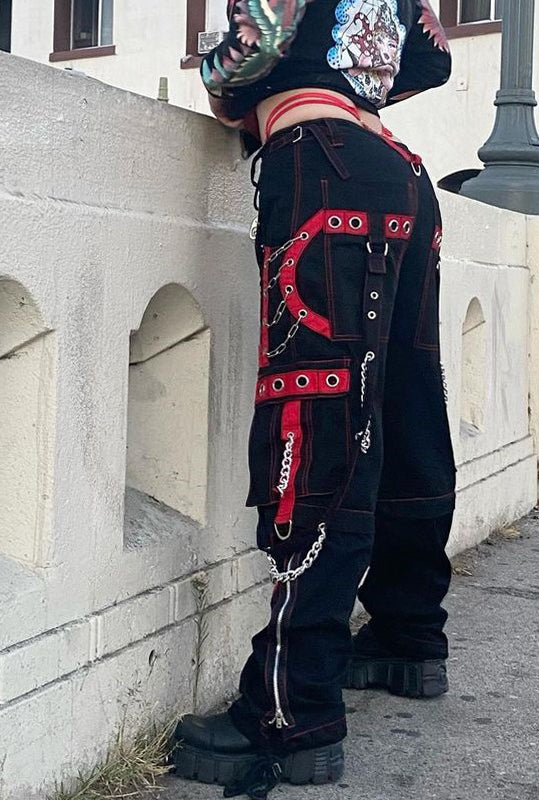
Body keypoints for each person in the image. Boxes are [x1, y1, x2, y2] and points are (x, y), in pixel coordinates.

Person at [174, 1, 457, 797]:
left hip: (320, 169)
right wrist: (357, 88)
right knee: (405, 409)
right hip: (399, 176)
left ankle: (290, 709)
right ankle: (408, 635)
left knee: (321, 416)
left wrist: (222, 89)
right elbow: (433, 55)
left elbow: (258, 39)